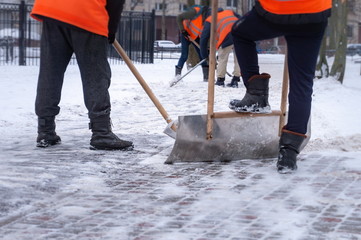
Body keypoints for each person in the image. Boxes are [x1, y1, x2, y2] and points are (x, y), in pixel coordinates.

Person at [230, 0, 331, 173]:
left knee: (240, 33)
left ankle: (256, 94)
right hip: (313, 14)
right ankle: (289, 153)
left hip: (274, 12)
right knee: (302, 83)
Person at [30, 0, 134, 151]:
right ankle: (101, 133)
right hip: (87, 13)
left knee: (51, 73)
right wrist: (110, 30)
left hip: (52, 10)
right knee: (96, 75)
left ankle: (45, 131)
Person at [200, 8, 241, 87]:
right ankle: (236, 78)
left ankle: (220, 80)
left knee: (222, 58)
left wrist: (204, 55)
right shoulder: (229, 11)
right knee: (239, 58)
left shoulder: (210, 19)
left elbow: (204, 38)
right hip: (241, 33)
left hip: (227, 36)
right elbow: (241, 19)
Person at [175, 1, 210, 82]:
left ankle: (206, 78)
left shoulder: (207, 19)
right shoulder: (194, 12)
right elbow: (179, 17)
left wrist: (206, 47)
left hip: (196, 36)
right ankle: (177, 76)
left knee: (203, 56)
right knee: (184, 56)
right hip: (186, 35)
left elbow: (206, 34)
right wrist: (183, 31)